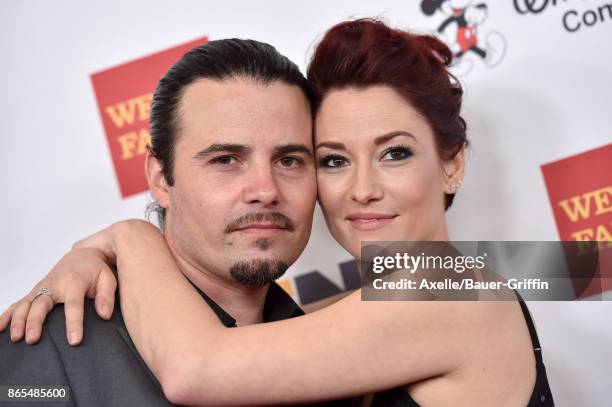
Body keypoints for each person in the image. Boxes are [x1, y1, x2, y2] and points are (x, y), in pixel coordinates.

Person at [1, 19, 555, 406]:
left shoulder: (452, 293)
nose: (363, 189)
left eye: (395, 153)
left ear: (452, 166)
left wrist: (125, 236)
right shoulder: (318, 326)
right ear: (160, 177)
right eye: (334, 160)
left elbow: (199, 368)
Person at [0, 38, 351, 406]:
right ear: (159, 177)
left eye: (289, 160)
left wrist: (127, 236)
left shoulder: (341, 358)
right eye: (226, 160)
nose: (265, 190)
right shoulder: (51, 344)